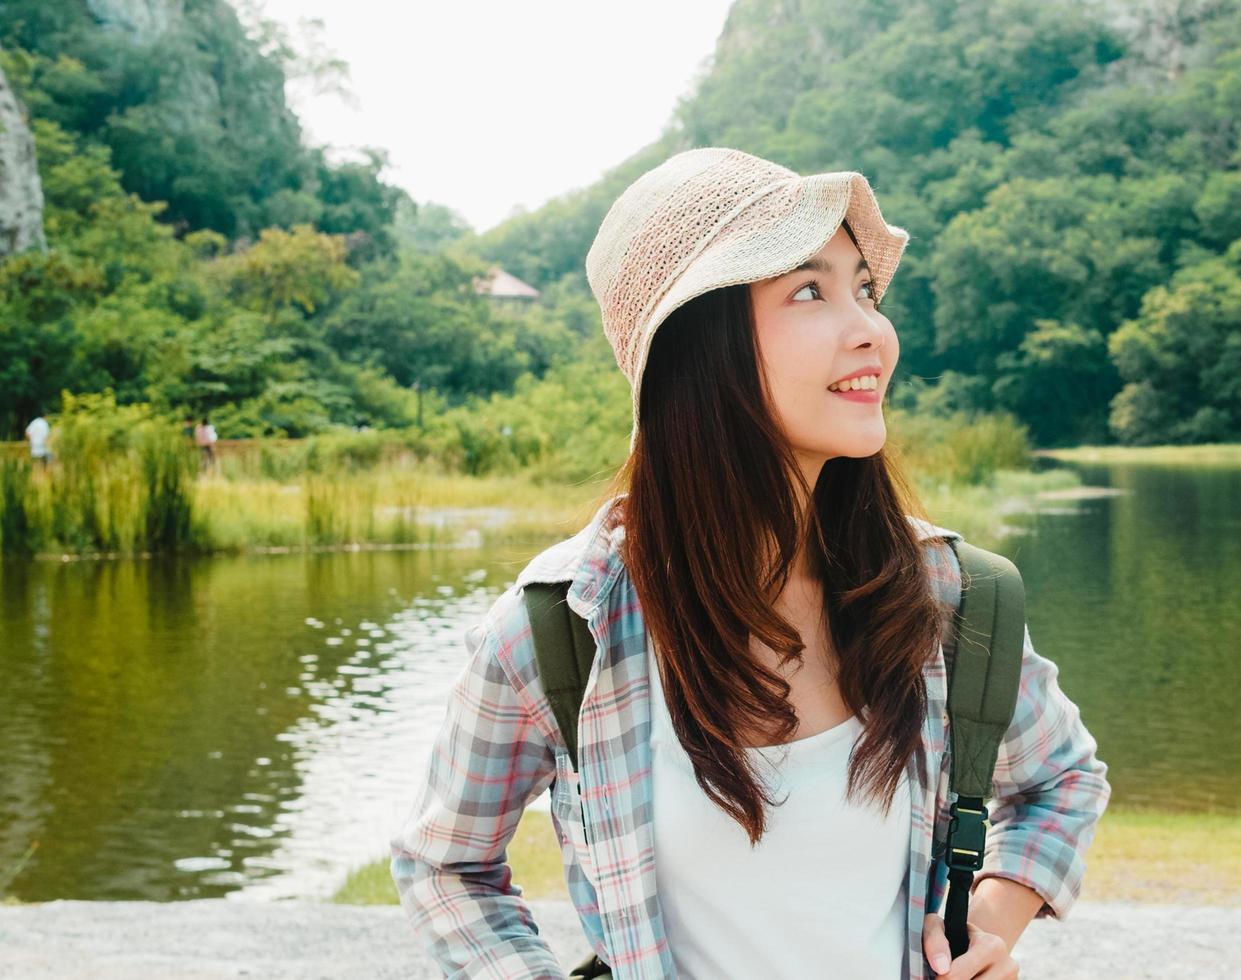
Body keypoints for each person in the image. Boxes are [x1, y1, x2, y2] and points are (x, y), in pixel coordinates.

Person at [388, 147, 1111, 980]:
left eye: (864, 289)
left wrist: (982, 927)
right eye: (810, 290)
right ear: (700, 350)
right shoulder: (560, 629)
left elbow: (1062, 780)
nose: (871, 329)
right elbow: (446, 864)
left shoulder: (947, 594)